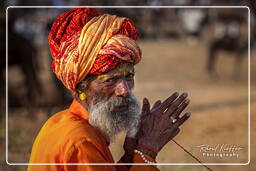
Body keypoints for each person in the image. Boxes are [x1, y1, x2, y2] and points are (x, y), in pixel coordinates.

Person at [27, 8, 191, 171]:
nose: (124, 90)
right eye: (111, 80)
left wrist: (130, 157)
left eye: (129, 76)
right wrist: (147, 150)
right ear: (81, 87)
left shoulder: (62, 122)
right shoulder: (80, 141)